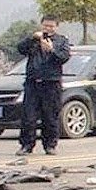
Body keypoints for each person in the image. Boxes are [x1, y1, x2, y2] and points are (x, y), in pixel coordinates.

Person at [14, 15, 71, 156]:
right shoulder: (34, 40)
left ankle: (50, 145)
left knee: (50, 116)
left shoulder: (62, 41)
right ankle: (26, 145)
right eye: (45, 25)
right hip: (33, 82)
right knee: (29, 116)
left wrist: (51, 50)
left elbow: (64, 58)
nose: (48, 28)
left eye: (51, 26)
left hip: (51, 83)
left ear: (56, 27)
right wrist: (32, 38)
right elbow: (20, 49)